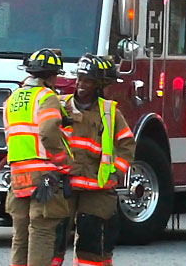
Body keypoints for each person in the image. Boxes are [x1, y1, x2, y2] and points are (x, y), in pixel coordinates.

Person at [51, 55, 136, 266]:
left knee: (94, 244)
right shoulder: (60, 107)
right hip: (64, 185)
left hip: (98, 188)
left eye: (87, 80)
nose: (81, 84)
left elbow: (127, 145)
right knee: (53, 240)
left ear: (98, 85)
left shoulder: (110, 113)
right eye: (80, 78)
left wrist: (116, 172)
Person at [4, 48, 71, 266]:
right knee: (41, 232)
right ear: (53, 75)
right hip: (43, 174)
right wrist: (62, 161)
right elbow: (48, 130)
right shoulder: (47, 97)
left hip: (18, 175)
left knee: (20, 235)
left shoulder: (13, 98)